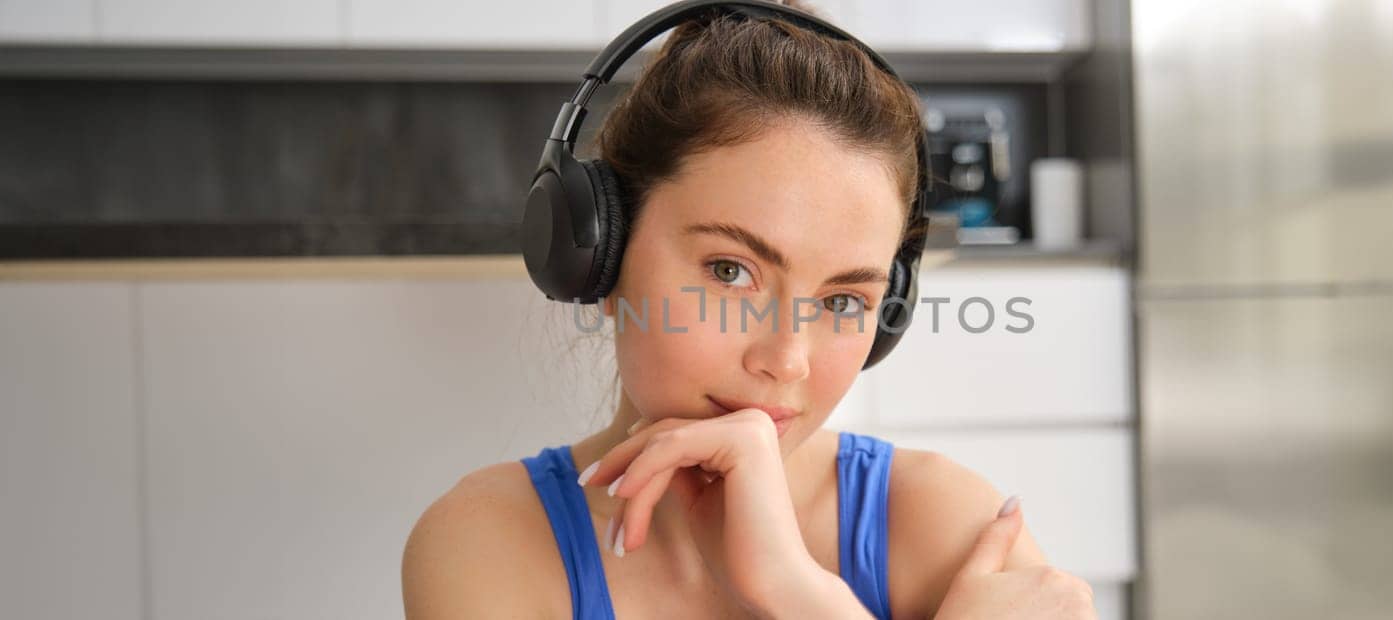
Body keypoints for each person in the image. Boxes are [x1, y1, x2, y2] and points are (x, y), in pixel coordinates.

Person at [402, 2, 1097, 618]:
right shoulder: (488, 542)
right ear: (597, 255)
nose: (785, 358)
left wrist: (798, 593)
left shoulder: (945, 524)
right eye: (731, 271)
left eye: (845, 300)